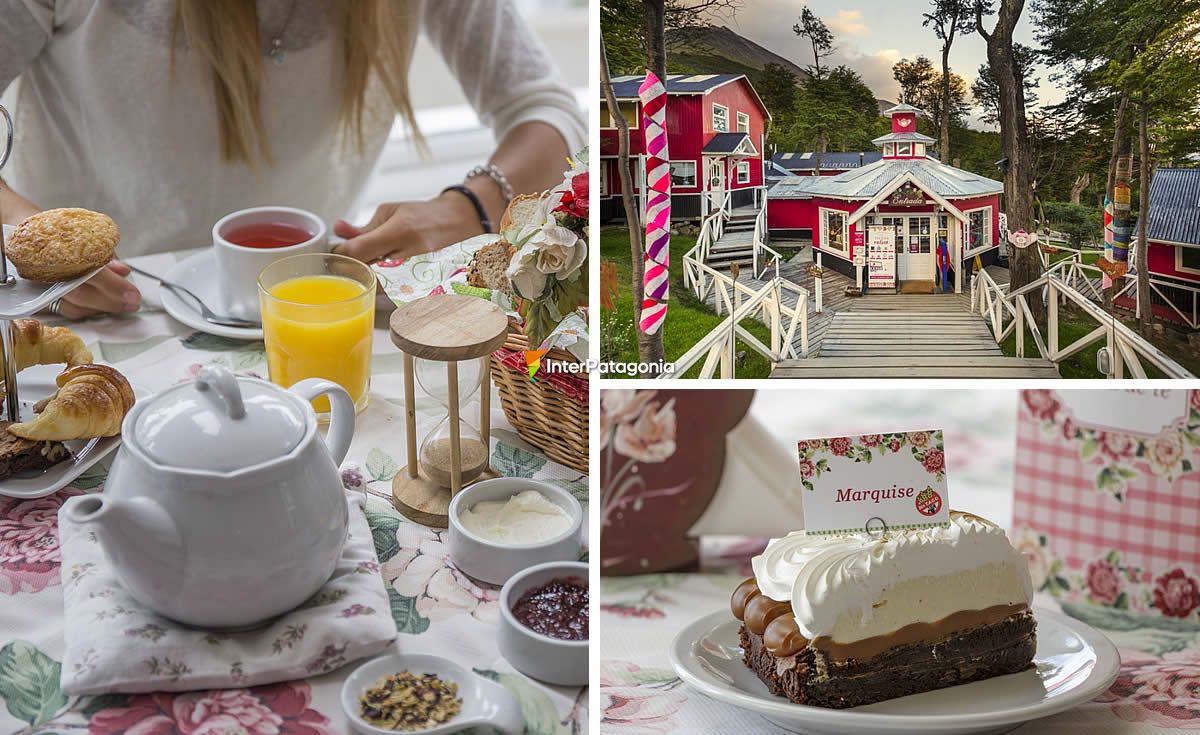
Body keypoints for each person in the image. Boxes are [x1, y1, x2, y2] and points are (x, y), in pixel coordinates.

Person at [0, 0, 584, 320]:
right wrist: (34, 242)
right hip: (79, 312)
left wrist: (468, 206)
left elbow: (551, 114)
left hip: (303, 308)